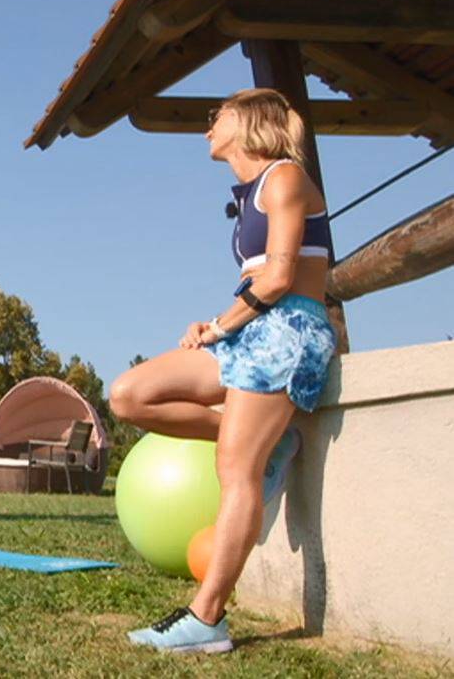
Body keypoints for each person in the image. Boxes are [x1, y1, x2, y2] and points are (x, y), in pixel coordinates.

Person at [109, 88, 336, 653]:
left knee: (236, 470)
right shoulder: (253, 191)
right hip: (253, 329)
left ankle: (207, 620)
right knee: (130, 395)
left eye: (220, 115)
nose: (210, 124)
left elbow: (281, 277)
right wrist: (219, 321)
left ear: (249, 123)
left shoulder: (284, 178)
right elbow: (260, 283)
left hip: (289, 333)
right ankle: (266, 437)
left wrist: (221, 325)